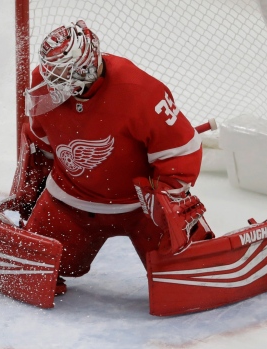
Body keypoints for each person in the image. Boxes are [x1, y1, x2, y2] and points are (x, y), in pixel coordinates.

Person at [14, 20, 215, 294]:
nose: (55, 85)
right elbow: (41, 141)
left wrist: (168, 199)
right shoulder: (43, 80)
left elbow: (181, 149)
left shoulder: (141, 91)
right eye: (53, 74)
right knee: (38, 265)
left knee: (187, 281)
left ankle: (192, 253)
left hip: (141, 207)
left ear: (86, 67)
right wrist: (32, 183)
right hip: (69, 200)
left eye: (65, 75)